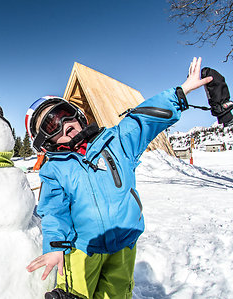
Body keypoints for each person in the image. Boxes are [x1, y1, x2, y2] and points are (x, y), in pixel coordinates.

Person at [26, 57, 213, 298]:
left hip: (124, 243)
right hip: (83, 249)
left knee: (117, 294)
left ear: (77, 114)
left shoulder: (116, 142)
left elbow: (143, 119)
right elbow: (54, 212)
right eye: (51, 126)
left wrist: (181, 92)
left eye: (63, 114)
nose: (63, 125)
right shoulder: (54, 170)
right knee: (78, 294)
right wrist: (55, 247)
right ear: (47, 142)